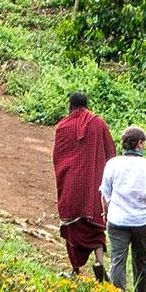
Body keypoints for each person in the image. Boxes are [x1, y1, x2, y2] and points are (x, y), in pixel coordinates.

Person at [52, 92, 115, 279]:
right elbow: (111, 153)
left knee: (73, 225)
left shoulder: (62, 127)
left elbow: (58, 158)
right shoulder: (99, 123)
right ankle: (99, 262)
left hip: (71, 185)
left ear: (70, 107)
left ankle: (76, 269)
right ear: (86, 106)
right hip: (94, 186)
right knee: (95, 224)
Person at [99, 125, 146, 292]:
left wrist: (106, 213)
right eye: (145, 143)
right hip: (142, 221)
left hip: (117, 220)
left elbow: (105, 195)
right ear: (140, 144)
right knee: (140, 261)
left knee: (117, 260)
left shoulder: (112, 164)